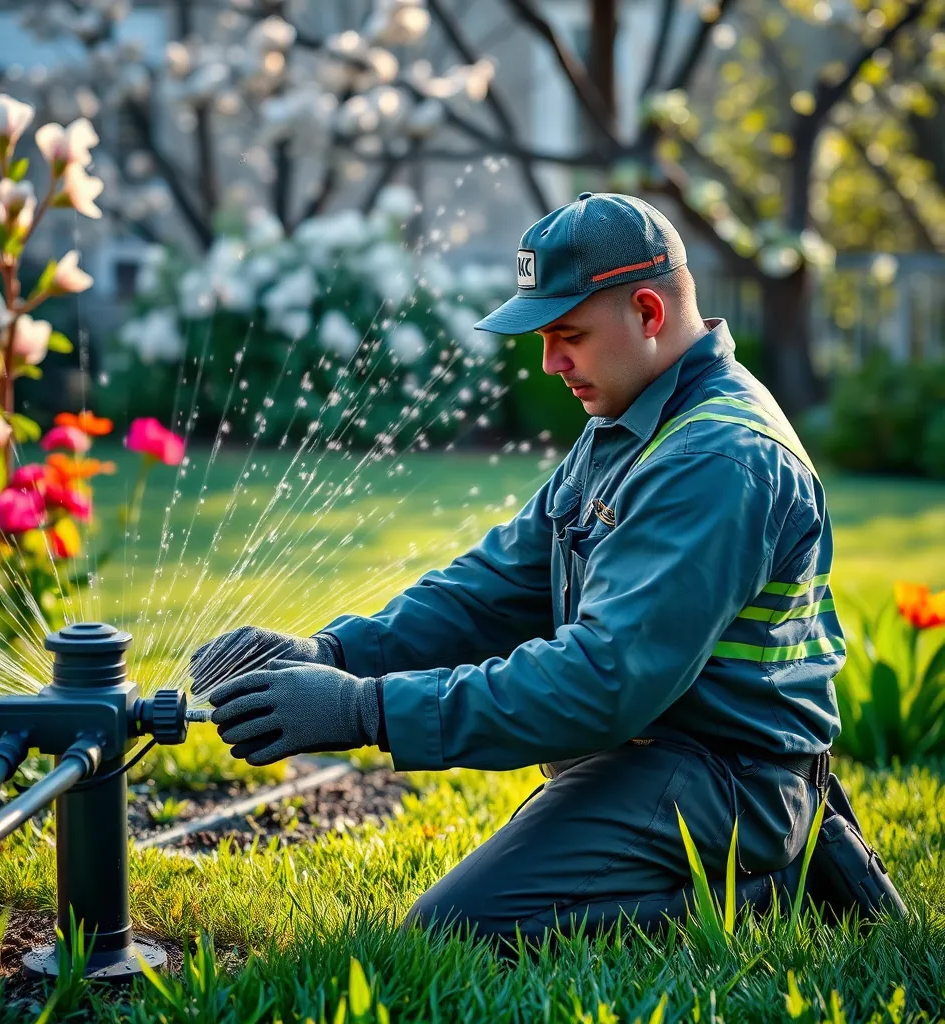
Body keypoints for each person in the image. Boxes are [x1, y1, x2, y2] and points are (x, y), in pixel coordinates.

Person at [189, 192, 845, 949]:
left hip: (727, 781)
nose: (550, 362)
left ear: (648, 313)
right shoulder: (629, 425)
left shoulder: (717, 459)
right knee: (462, 923)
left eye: (568, 335)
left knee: (455, 935)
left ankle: (768, 890)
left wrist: (365, 710)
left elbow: (604, 682)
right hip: (658, 756)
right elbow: (495, 587)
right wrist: (331, 654)